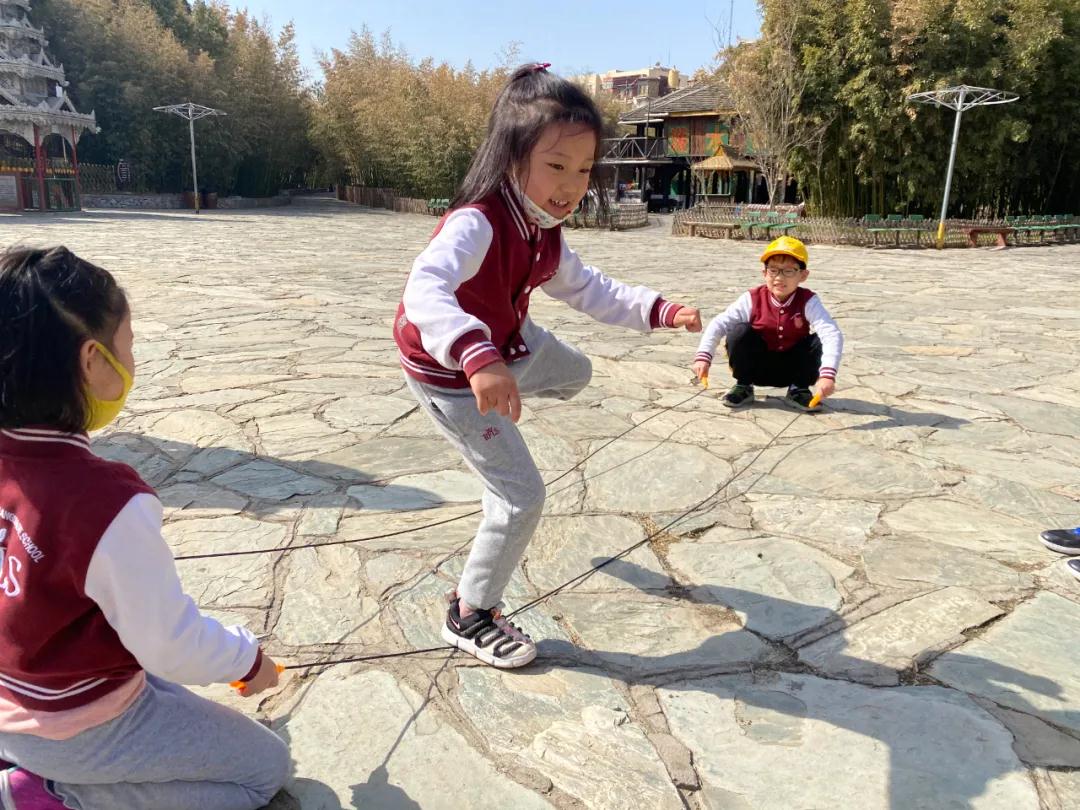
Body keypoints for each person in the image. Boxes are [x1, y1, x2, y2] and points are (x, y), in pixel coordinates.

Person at [393, 63, 702, 669]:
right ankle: (470, 611)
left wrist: (659, 310)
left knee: (578, 373)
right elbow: (424, 289)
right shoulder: (476, 222)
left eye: (584, 170)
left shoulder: (545, 229)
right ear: (513, 159)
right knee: (520, 498)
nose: (571, 185)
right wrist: (476, 355)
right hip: (453, 372)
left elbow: (591, 289)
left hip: (511, 344)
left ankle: (509, 386)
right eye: (556, 166)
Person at [0, 247, 290, 810]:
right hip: (70, 725)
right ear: (92, 360)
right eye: (127, 344)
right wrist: (249, 660)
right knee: (264, 770)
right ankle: (48, 795)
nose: (132, 360)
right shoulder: (103, 501)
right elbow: (168, 644)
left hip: (17, 688)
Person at [692, 236, 843, 411]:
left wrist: (827, 374)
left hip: (793, 368)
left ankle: (798, 389)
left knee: (819, 340)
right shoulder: (751, 298)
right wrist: (703, 357)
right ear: (764, 273)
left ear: (803, 275)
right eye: (773, 270)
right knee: (739, 332)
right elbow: (719, 323)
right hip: (758, 367)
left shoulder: (808, 301)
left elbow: (831, 333)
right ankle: (744, 385)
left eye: (789, 271)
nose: (779, 278)